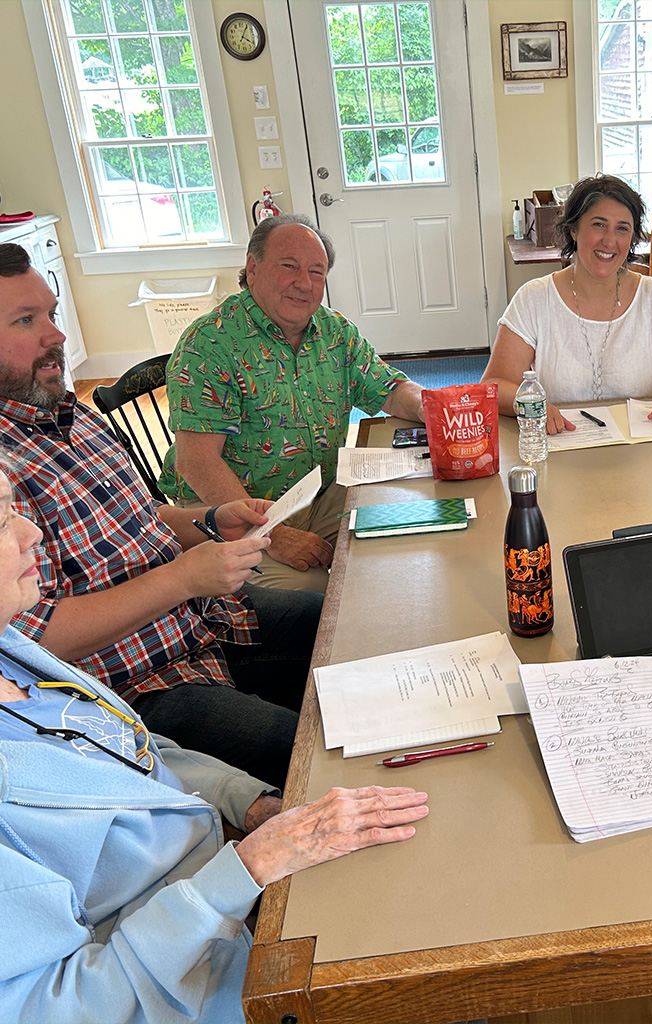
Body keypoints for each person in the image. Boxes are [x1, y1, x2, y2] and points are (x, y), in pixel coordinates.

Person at [0, 461, 429, 1022]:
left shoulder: (15, 654)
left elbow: (130, 750)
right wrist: (245, 870)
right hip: (211, 978)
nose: (30, 529)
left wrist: (246, 801)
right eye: (3, 519)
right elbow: (64, 1008)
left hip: (222, 887)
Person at [0, 242, 320, 787]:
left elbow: (137, 514)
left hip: (203, 623)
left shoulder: (69, 415)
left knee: (343, 628)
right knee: (309, 752)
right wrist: (180, 578)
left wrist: (211, 520)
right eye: (26, 320)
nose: (56, 335)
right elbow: (30, 639)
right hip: (132, 688)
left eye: (51, 314)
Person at [159, 214, 426, 592]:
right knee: (316, 599)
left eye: (317, 272)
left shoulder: (334, 331)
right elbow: (196, 462)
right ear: (253, 268)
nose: (304, 283)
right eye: (289, 267)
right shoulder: (210, 344)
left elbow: (391, 388)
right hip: (235, 522)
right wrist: (276, 534)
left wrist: (431, 405)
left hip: (317, 493)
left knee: (403, 530)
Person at [481, 175, 652, 434]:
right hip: (565, 447)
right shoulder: (534, 299)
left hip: (645, 450)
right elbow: (495, 385)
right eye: (599, 225)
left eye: (622, 228)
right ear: (573, 229)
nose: (610, 241)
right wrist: (533, 405)